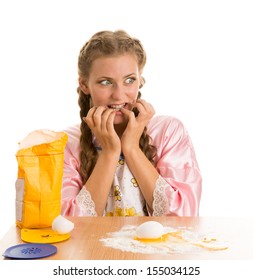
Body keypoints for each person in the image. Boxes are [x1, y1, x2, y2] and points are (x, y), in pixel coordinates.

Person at [61, 30, 202, 217]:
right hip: (92, 248)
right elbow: (68, 224)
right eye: (105, 82)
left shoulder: (168, 132)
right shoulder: (66, 143)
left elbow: (185, 217)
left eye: (129, 80)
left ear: (140, 79)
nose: (119, 95)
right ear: (85, 84)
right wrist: (110, 152)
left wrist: (132, 148)